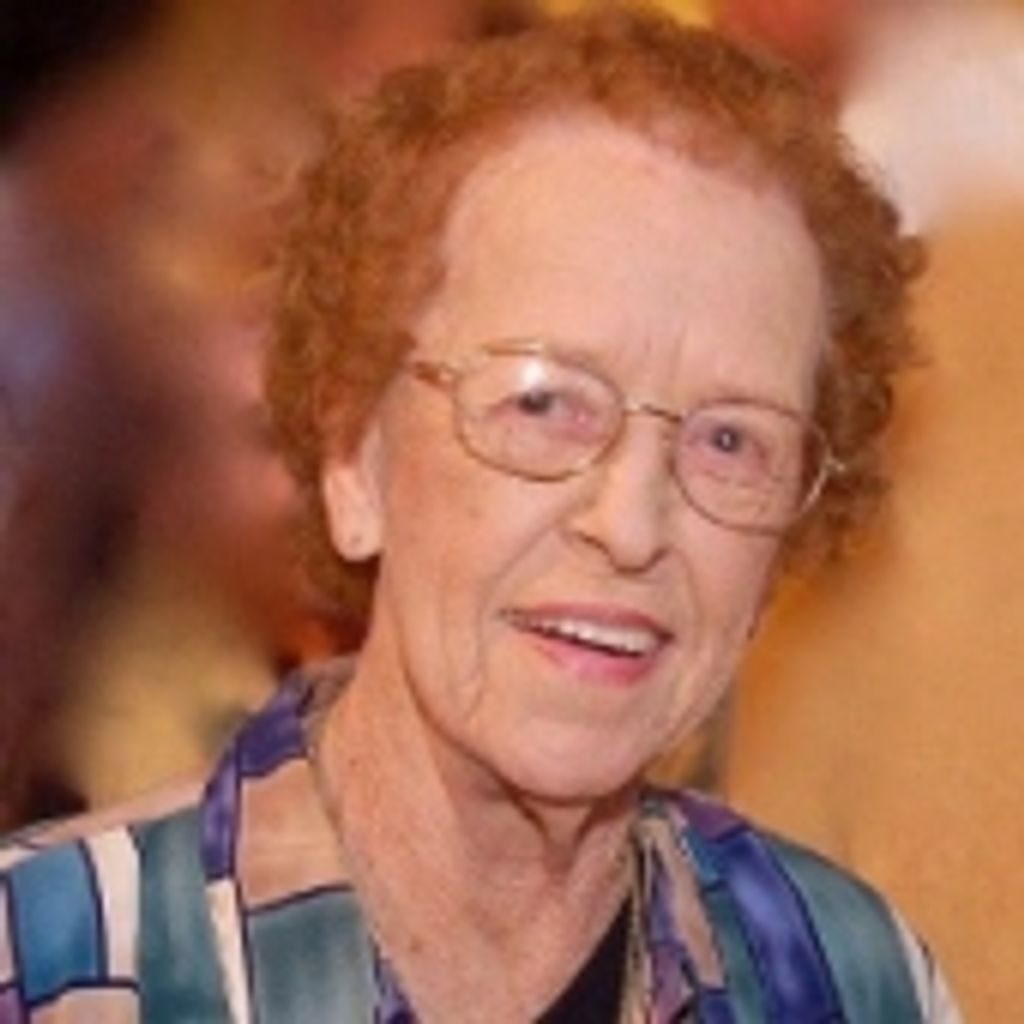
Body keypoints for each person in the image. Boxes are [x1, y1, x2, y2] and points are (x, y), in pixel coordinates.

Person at [0, 7, 958, 1021]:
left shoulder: (850, 981)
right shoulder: (54, 963)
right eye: (544, 404)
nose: (631, 526)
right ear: (354, 458)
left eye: (730, 441)